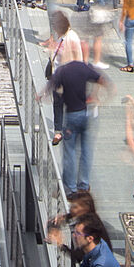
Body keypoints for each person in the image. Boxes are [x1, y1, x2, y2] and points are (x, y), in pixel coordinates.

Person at [41, 50, 107, 195]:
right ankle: (83, 185)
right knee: (86, 150)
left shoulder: (63, 71)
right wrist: (96, 96)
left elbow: (50, 88)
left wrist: (42, 96)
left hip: (72, 116)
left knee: (69, 152)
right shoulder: (84, 68)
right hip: (86, 114)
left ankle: (70, 188)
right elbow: (101, 79)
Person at [44, 10, 90, 144]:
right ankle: (58, 131)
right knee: (57, 103)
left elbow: (78, 58)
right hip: (58, 76)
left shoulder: (72, 37)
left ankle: (72, 129)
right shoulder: (60, 36)